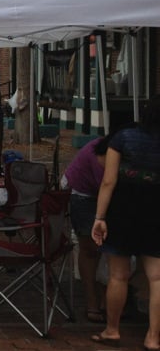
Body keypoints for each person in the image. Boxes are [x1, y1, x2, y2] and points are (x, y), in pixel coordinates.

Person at [91, 94, 160, 351]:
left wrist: (99, 217)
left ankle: (112, 329)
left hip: (123, 210)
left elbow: (108, 181)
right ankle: (153, 338)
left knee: (118, 275)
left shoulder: (123, 136)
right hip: (156, 212)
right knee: (157, 277)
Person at [63, 134, 111, 323]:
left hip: (105, 197)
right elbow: (107, 185)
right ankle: (92, 301)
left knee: (111, 252)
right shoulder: (97, 154)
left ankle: (108, 300)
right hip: (83, 195)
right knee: (89, 248)